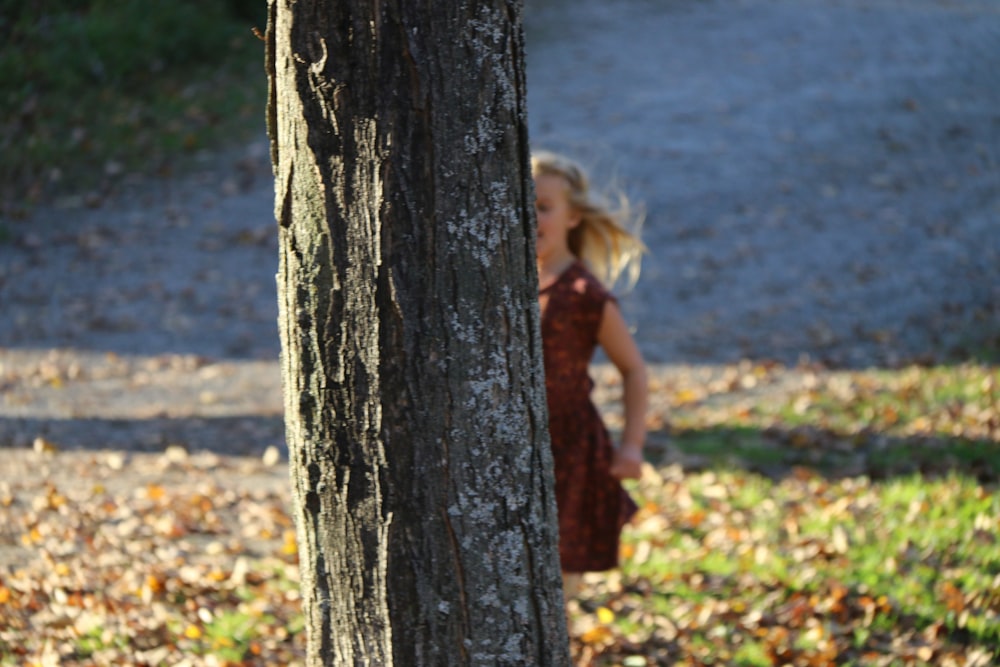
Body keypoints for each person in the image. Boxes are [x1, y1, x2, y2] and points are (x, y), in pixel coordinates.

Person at [532, 151, 649, 601]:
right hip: (514, 447)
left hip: (571, 451)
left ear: (574, 216)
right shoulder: (503, 281)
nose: (531, 216)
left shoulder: (584, 293)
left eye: (544, 206)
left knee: (555, 579)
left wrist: (632, 445)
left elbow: (633, 368)